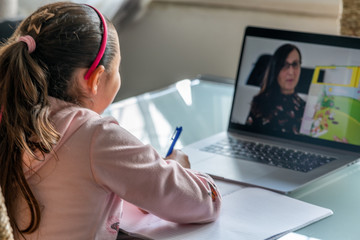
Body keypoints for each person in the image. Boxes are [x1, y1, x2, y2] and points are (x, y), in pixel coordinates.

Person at [0, 2, 221, 239]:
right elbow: (203, 202)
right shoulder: (96, 136)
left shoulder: (8, 116)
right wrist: (177, 168)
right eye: (117, 70)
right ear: (95, 79)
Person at [246, 44, 306, 134]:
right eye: (285, 65)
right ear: (275, 69)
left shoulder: (305, 108)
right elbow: (248, 136)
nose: (291, 72)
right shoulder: (260, 101)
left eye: (295, 64)